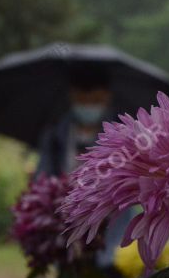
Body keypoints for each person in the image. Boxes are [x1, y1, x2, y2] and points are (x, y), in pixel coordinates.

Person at [36, 64, 131, 267]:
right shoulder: (54, 135)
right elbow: (42, 180)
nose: (88, 105)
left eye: (95, 100)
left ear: (107, 96)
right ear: (72, 96)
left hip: (112, 228)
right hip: (66, 223)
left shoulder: (124, 132)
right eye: (82, 99)